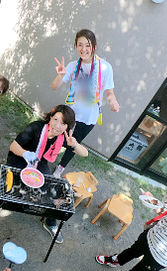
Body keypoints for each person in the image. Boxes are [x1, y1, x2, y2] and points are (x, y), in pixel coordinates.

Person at [7, 105, 88, 244]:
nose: (57, 125)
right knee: (17, 188)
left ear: (67, 127)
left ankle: (50, 223)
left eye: (63, 123)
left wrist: (74, 144)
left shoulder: (63, 138)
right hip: (20, 159)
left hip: (40, 164)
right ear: (50, 118)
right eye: (55, 119)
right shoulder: (36, 127)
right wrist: (26, 154)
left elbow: (84, 153)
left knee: (53, 192)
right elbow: (13, 146)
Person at [50, 29, 119, 176]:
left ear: (94, 46)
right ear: (76, 46)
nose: (83, 49)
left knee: (73, 144)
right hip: (70, 113)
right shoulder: (72, 65)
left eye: (87, 45)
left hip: (89, 117)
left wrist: (113, 102)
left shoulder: (105, 67)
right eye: (80, 45)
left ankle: (60, 168)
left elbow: (109, 92)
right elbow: (54, 87)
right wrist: (60, 75)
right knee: (56, 135)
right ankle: (45, 157)